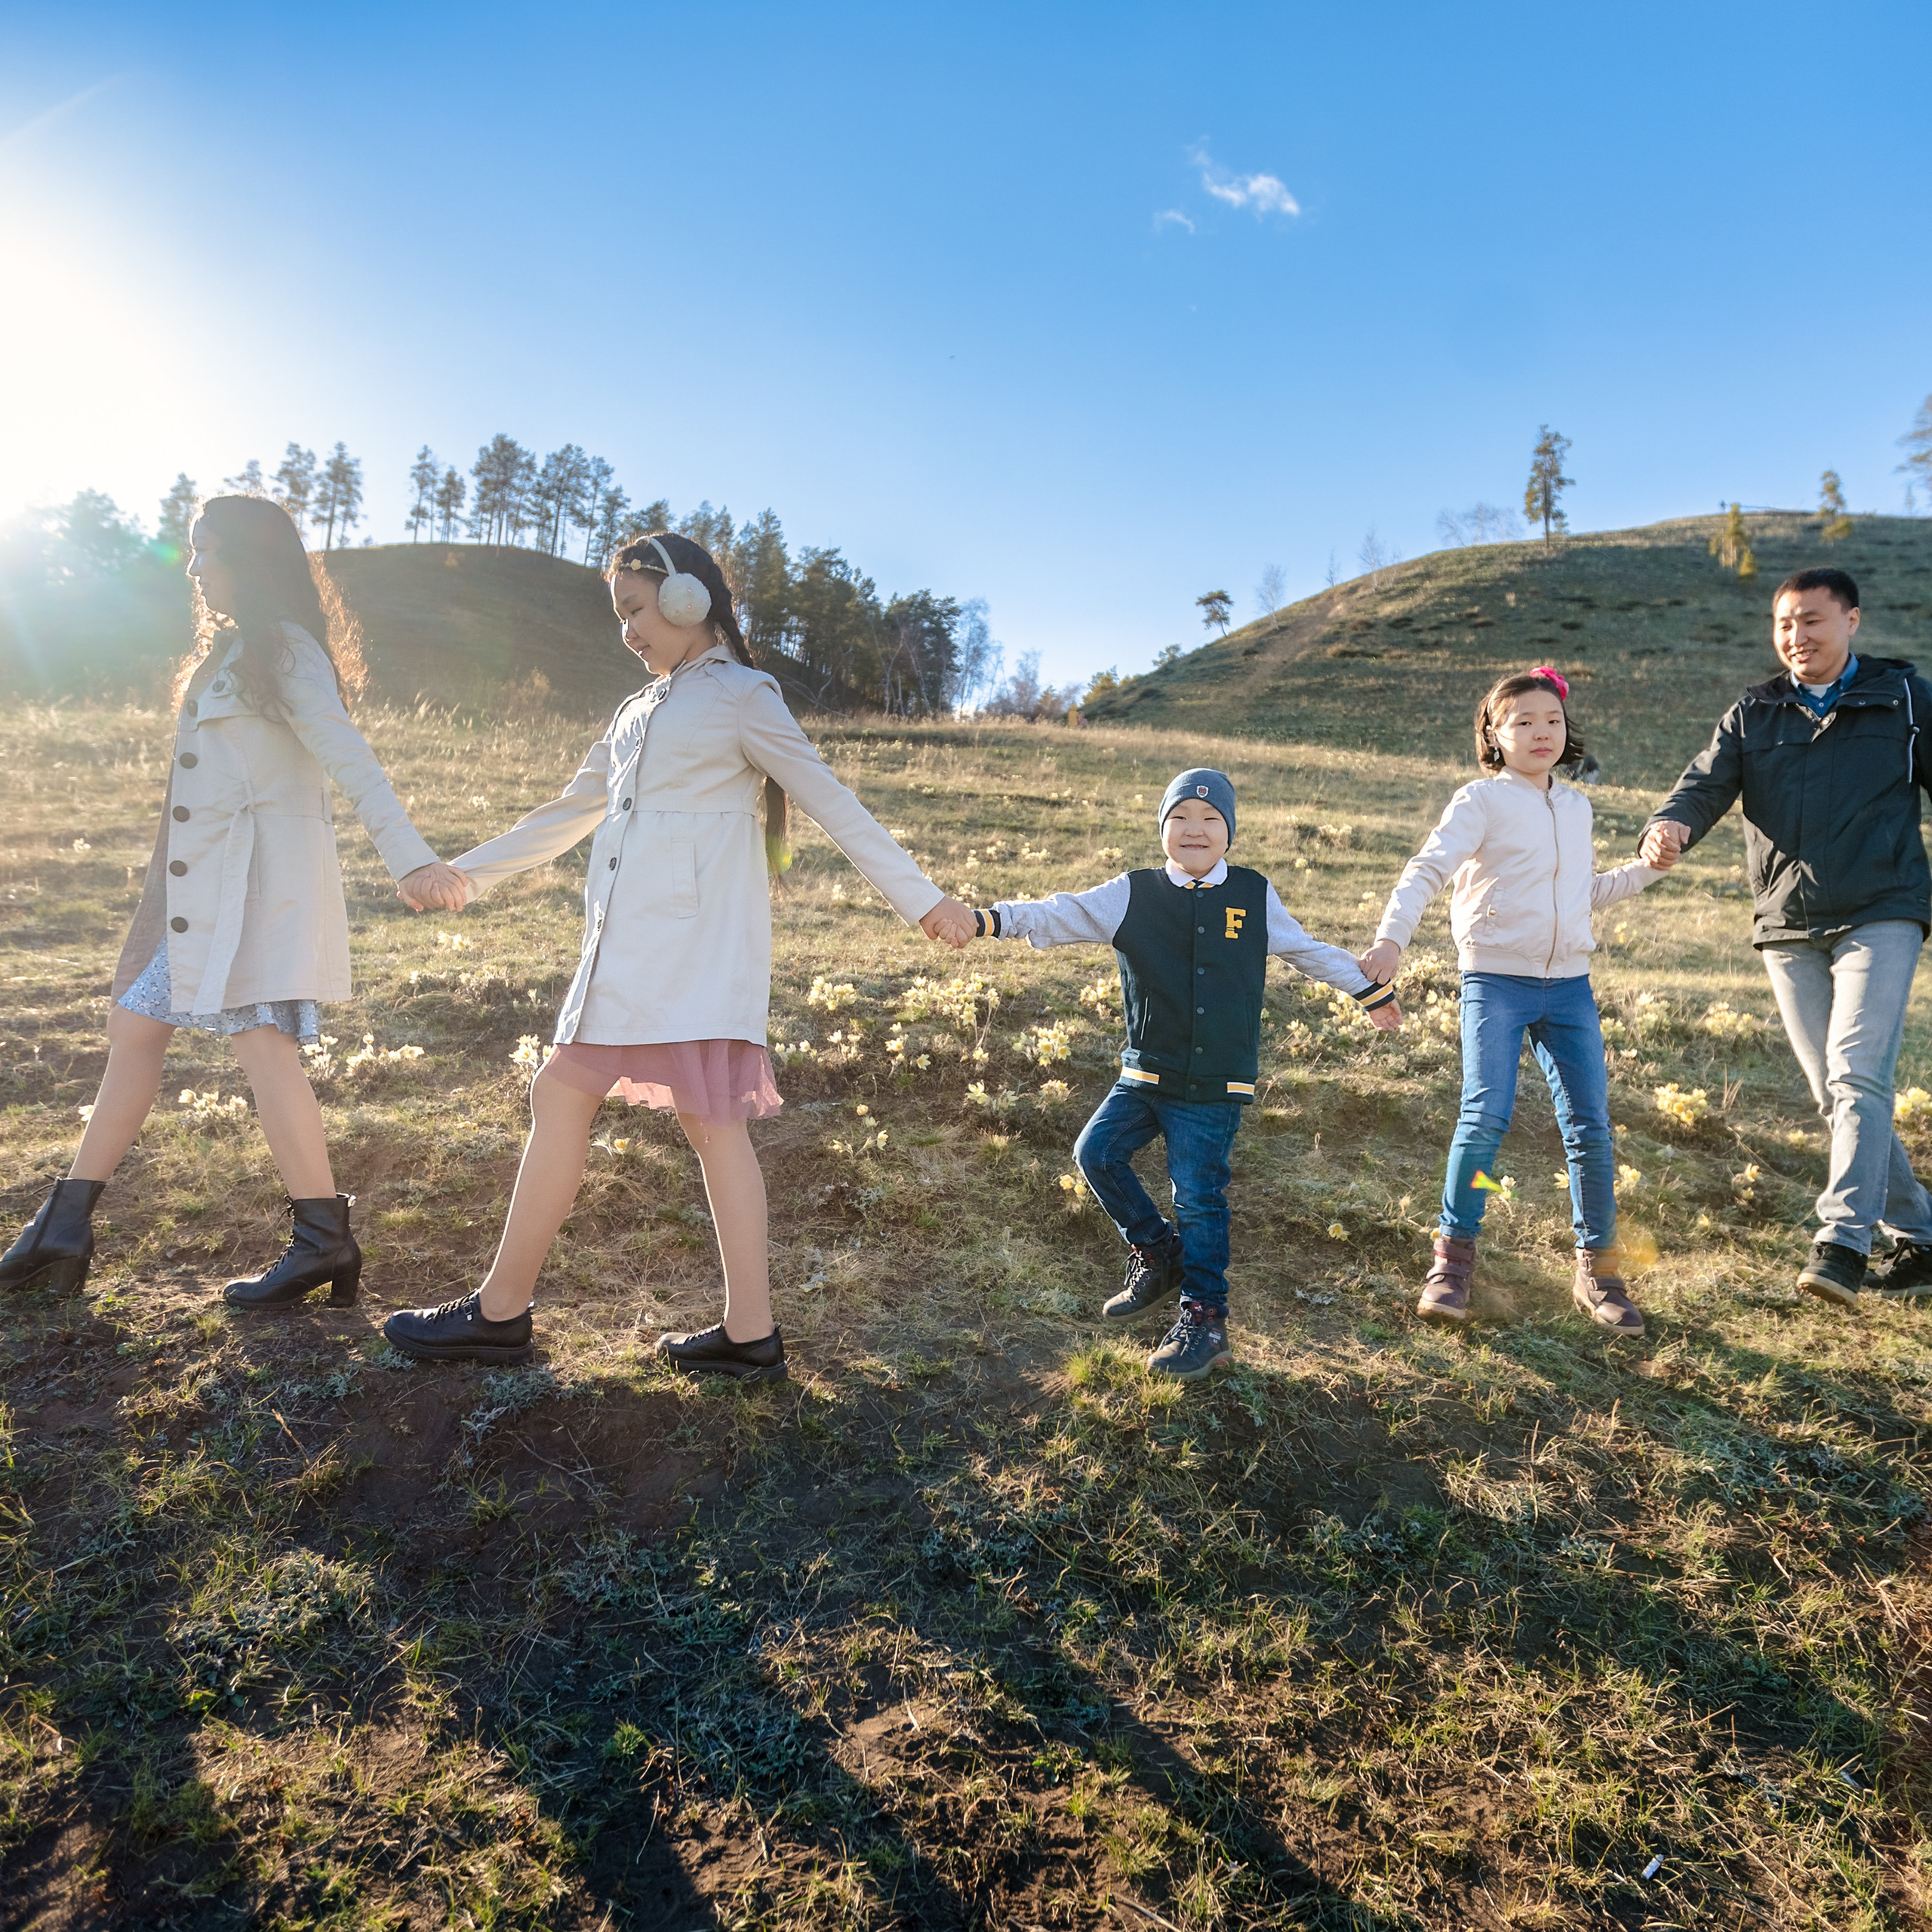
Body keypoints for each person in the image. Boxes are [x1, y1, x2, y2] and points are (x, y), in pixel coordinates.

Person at [380, 533, 974, 1376]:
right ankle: (737, 1331)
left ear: (689, 598)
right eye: (617, 614)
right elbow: (566, 811)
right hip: (626, 954)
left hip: (690, 956)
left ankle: (513, 1312)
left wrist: (924, 899)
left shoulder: (740, 697)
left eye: (636, 608)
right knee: (666, 1115)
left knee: (642, 1108)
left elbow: (829, 800)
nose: (626, 630)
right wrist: (462, 875)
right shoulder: (634, 714)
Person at [0, 496, 466, 1304]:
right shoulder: (227, 655)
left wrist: (411, 859)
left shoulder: (287, 652)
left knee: (261, 1043)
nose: (194, 568)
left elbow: (351, 759)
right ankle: (65, 1222)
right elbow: (184, 808)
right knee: (136, 1025)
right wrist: (149, 916)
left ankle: (323, 1236)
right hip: (197, 895)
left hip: (259, 890)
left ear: (248, 558)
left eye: (207, 550)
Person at [964, 768, 1402, 1380]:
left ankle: (1206, 1319)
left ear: (1229, 833)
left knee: (1198, 1195)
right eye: (1180, 820)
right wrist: (986, 919)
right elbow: (1057, 913)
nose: (1194, 830)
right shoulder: (1132, 893)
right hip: (1147, 1073)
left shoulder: (1253, 894)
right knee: (1096, 1153)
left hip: (1215, 1082)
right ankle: (1157, 1252)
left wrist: (1368, 992)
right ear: (1162, 829)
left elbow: (1306, 951)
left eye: (1209, 820)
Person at [1641, 568, 1932, 1306]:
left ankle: (1841, 1241)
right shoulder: (1755, 711)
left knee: (1856, 1073)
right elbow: (1705, 782)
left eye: (1810, 620)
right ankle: (1923, 1238)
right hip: (1788, 923)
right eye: (1783, 624)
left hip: (1882, 910)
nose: (1795, 637)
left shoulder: (1902, 698)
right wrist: (1670, 823)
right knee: (1834, 1094)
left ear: (1851, 621)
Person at [1361, 668, 1667, 1334]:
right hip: (1496, 982)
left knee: (1590, 1127)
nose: (1540, 732)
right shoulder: (1481, 800)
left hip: (1571, 988)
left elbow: (1586, 892)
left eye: (1551, 720)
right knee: (1485, 1118)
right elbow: (1428, 870)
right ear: (1494, 735)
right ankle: (1453, 1260)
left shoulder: (1577, 806)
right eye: (1522, 721)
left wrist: (1648, 869)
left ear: (1566, 730)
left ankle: (1599, 1271)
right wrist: (1391, 941)